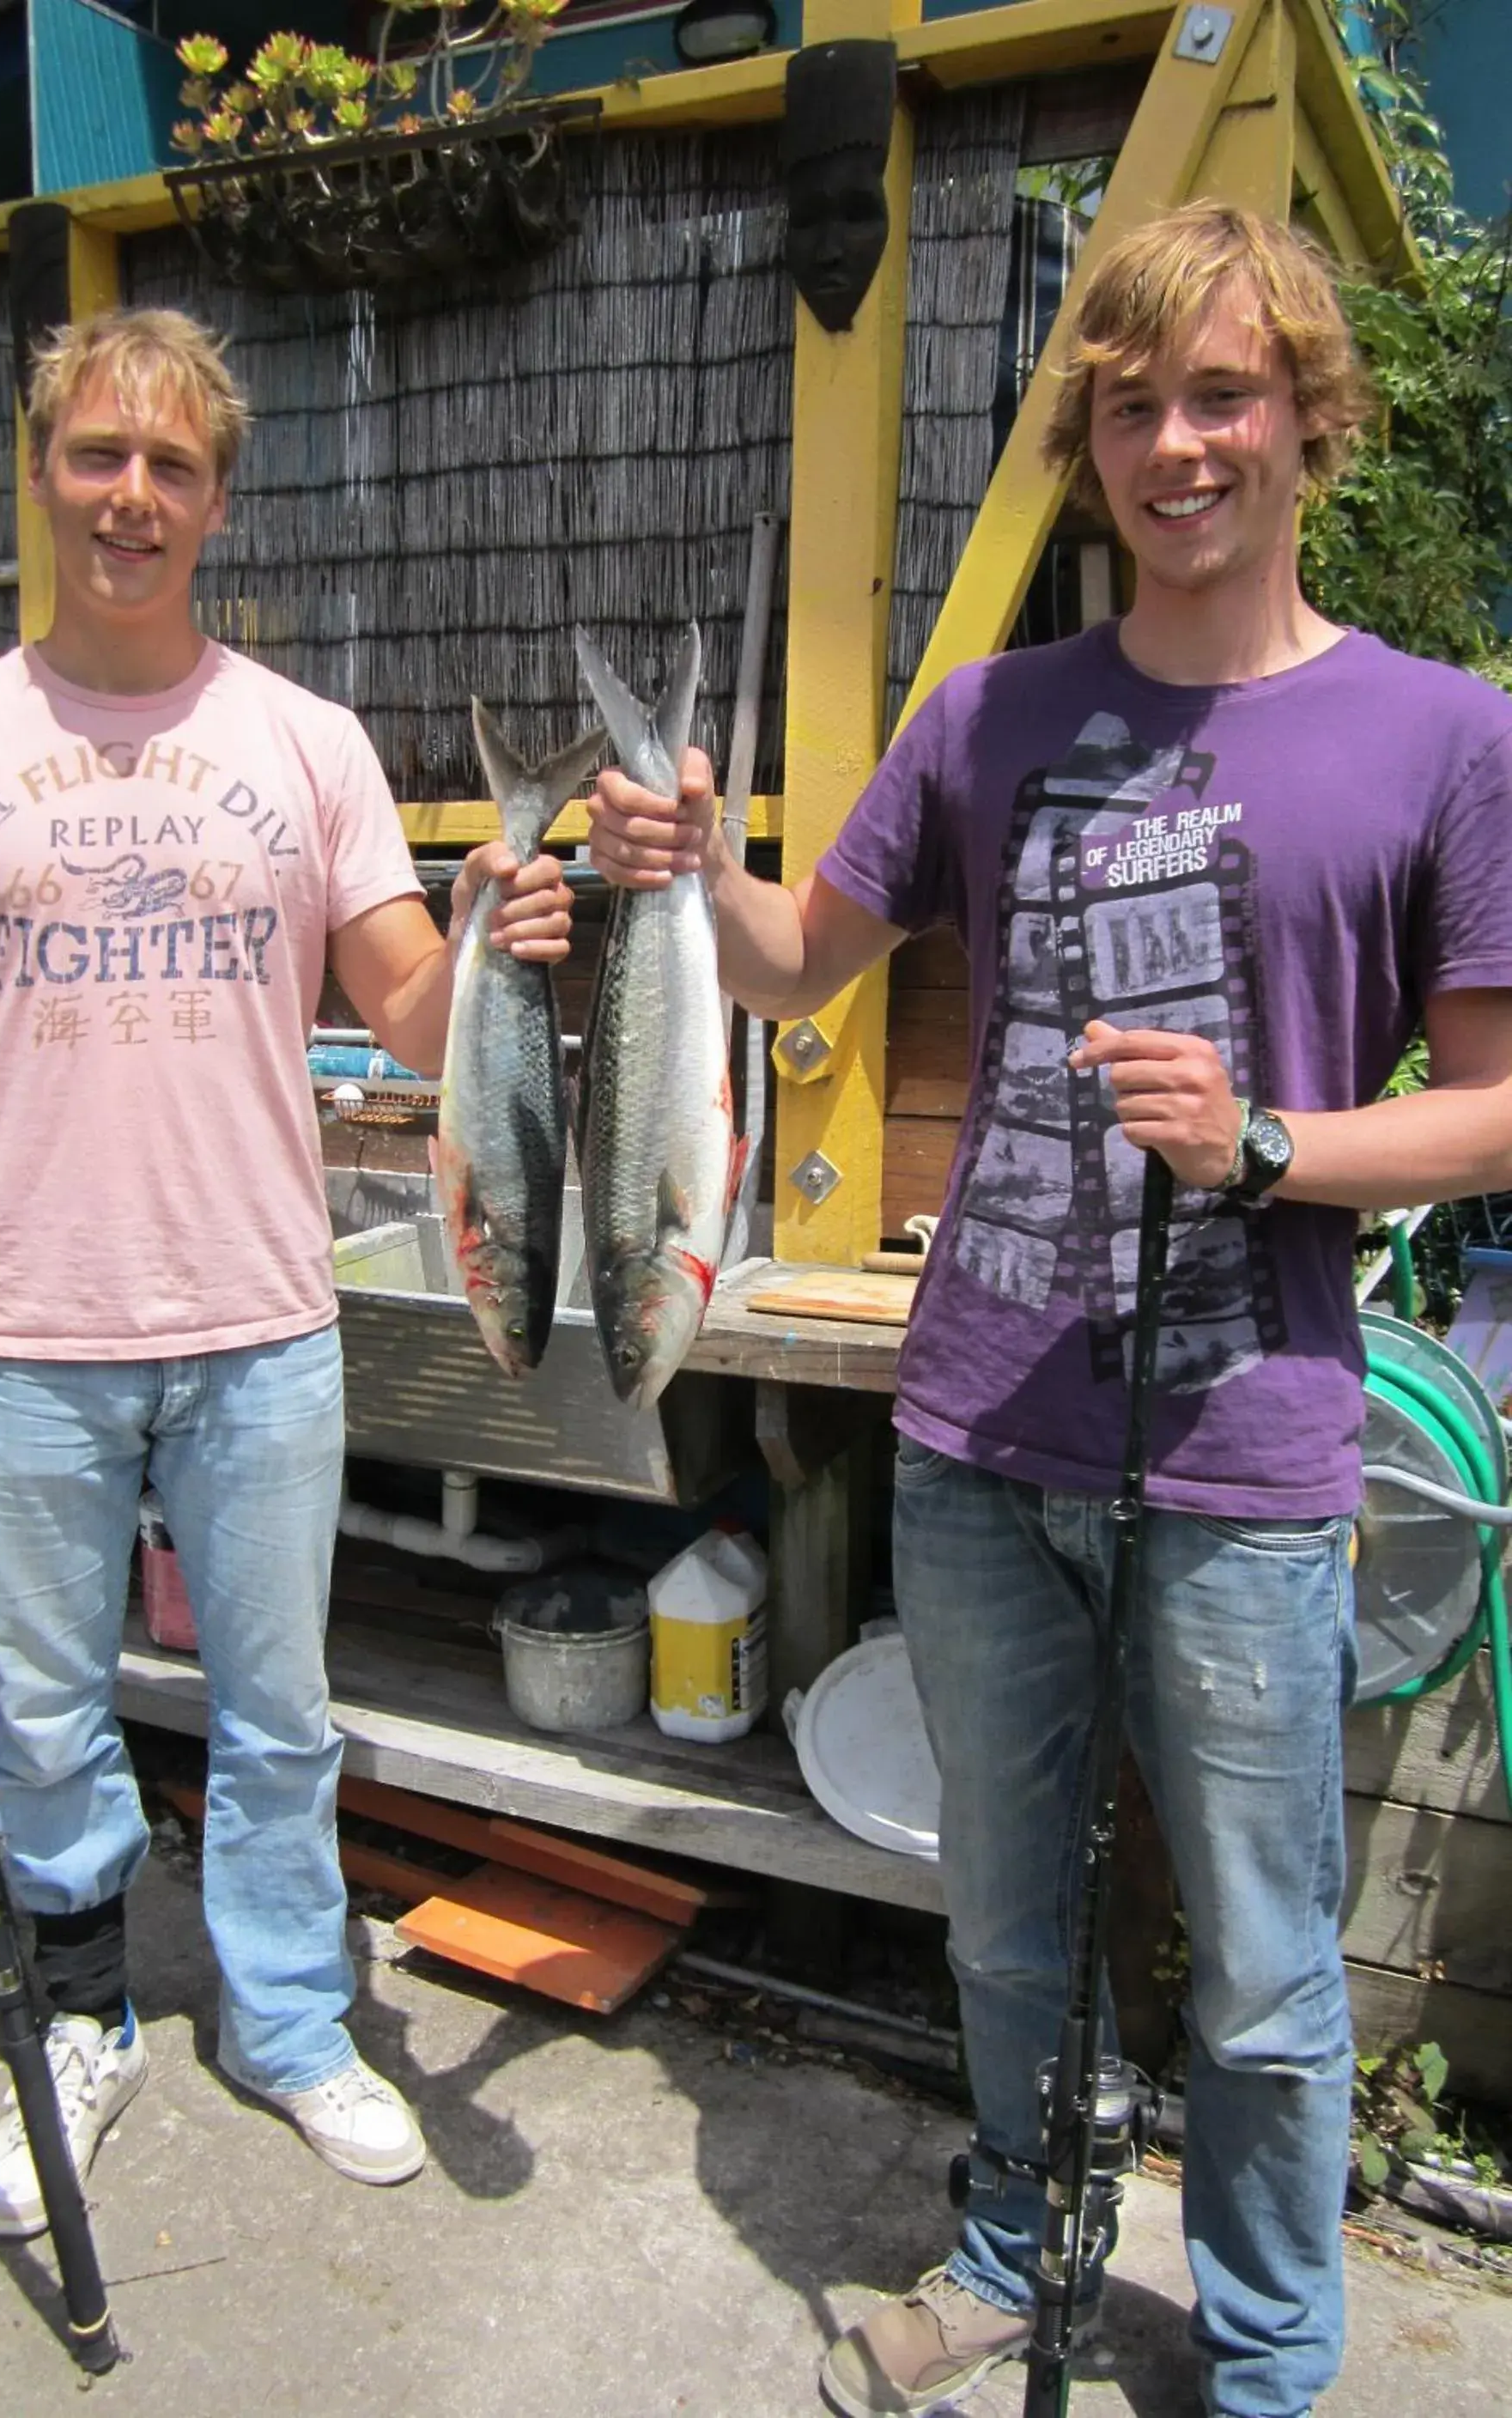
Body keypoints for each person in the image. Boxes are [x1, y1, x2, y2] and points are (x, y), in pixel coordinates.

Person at [587, 201, 1512, 2418]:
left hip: (1252, 1454)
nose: (1177, 441)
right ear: (1091, 441)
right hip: (982, 1432)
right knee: (999, 1921)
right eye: (1131, 405)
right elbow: (799, 962)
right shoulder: (993, 713)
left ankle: (1276, 2357)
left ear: (1305, 415)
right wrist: (688, 869)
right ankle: (1013, 2248)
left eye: (1221, 395)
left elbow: (1494, 1116)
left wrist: (1271, 1145)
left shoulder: (1443, 735)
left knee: (1275, 1973)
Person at [0, 307, 573, 2237]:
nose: (130, 494)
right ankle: (81, 2013)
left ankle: (297, 2019)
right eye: (96, 455)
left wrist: (487, 935)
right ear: (45, 469)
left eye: (172, 466)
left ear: (219, 501)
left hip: (258, 1323)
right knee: (44, 1710)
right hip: (18, 1328)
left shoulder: (301, 741)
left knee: (281, 1710)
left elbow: (401, 1002)